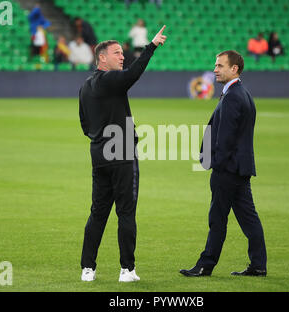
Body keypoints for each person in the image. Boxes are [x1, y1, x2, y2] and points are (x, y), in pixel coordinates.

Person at [78, 26, 167, 282]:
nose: (122, 56)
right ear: (102, 58)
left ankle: (88, 268)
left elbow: (85, 124)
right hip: (122, 152)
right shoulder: (110, 80)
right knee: (126, 212)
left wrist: (100, 139)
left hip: (99, 154)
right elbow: (134, 74)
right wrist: (151, 46)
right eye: (117, 53)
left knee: (98, 212)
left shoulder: (85, 87)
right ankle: (127, 270)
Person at [180, 50, 267, 278]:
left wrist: (215, 163)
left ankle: (205, 266)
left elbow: (225, 138)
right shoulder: (243, 93)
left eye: (220, 66)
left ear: (234, 69)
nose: (215, 69)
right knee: (249, 219)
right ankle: (258, 264)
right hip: (241, 168)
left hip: (227, 169)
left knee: (217, 218)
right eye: (215, 65)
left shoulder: (233, 97)